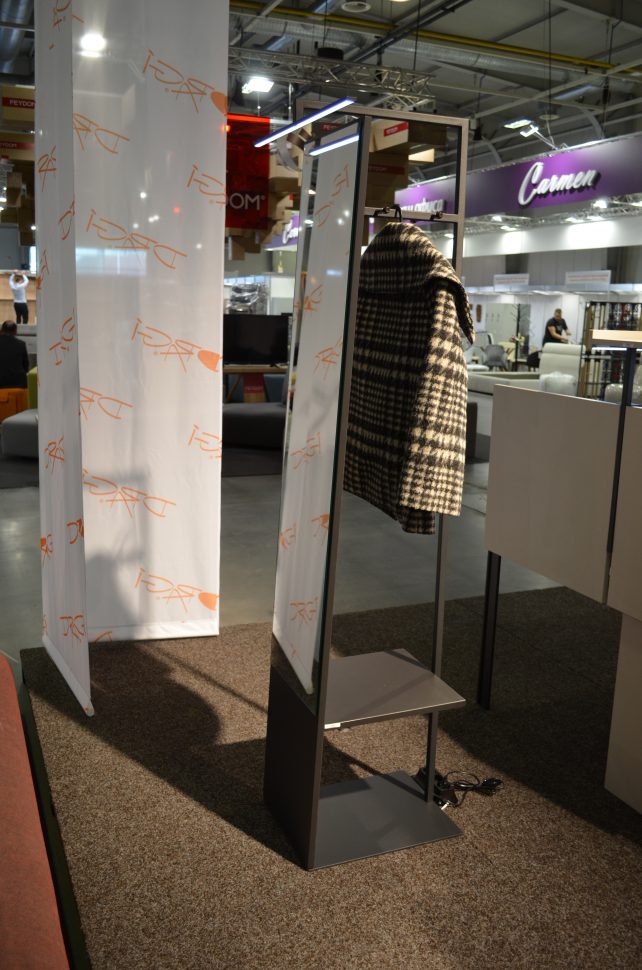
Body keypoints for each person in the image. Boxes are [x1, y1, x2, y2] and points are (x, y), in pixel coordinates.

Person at [0, 320, 29, 388]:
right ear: (15, 331)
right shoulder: (21, 344)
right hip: (19, 384)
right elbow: (26, 366)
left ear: (1, 330)